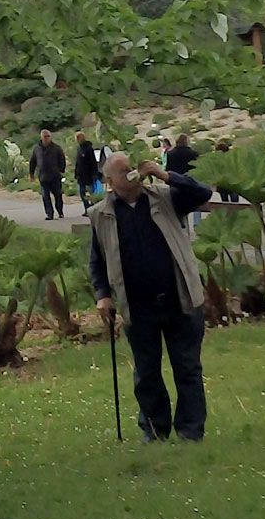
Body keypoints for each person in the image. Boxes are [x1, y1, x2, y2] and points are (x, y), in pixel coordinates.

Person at [89, 151, 215, 442]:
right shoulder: (100, 215)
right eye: (123, 171)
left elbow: (203, 193)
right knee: (146, 373)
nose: (132, 172)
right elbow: (97, 261)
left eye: (132, 166)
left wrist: (165, 175)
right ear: (110, 182)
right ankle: (155, 430)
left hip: (179, 299)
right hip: (137, 307)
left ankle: (191, 431)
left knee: (187, 368)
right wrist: (103, 295)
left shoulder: (165, 197)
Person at [28, 126, 68, 220]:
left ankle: (60, 211)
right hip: (43, 176)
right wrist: (31, 173)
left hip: (55, 176)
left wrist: (61, 170)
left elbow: (62, 159)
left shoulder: (56, 148)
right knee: (45, 196)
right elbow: (33, 161)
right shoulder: (37, 148)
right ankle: (49, 214)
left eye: (48, 136)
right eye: (45, 136)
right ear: (41, 137)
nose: (47, 138)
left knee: (58, 195)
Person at [72, 131, 101, 215]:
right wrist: (76, 173)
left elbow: (93, 162)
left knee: (92, 193)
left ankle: (94, 209)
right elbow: (77, 162)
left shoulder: (88, 148)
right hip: (80, 175)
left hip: (88, 175)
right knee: (82, 193)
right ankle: (87, 209)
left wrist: (94, 174)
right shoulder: (79, 148)